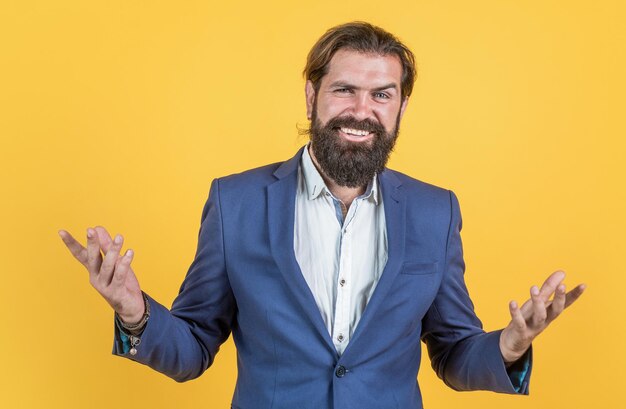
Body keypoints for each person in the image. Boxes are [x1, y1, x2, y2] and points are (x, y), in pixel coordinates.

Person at [59, 21, 585, 409]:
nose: (362, 110)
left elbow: (453, 353)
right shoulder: (235, 202)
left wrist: (510, 347)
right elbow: (193, 348)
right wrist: (135, 313)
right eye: (344, 90)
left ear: (401, 106)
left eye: (382, 94)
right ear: (312, 94)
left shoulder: (435, 212)